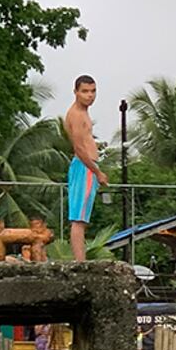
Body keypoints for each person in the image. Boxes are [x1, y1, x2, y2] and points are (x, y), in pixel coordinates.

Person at [63, 75, 108, 262]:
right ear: (76, 92)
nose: (90, 95)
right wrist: (97, 172)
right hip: (84, 167)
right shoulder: (75, 114)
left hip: (88, 166)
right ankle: (80, 262)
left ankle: (81, 260)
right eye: (85, 91)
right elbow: (79, 148)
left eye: (93, 91)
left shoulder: (84, 112)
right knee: (78, 218)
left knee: (83, 218)